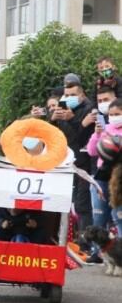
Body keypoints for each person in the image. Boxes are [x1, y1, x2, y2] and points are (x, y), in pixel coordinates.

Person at [53, 73, 95, 228]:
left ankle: (86, 241)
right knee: (68, 204)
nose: (69, 97)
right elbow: (56, 134)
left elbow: (83, 138)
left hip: (84, 164)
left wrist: (72, 119)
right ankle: (73, 238)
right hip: (66, 162)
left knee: (83, 205)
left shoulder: (89, 109)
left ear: (82, 95)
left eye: (73, 95)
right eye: (67, 94)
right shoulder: (62, 106)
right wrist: (53, 119)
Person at [87, 97, 122, 228]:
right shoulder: (105, 128)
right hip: (102, 177)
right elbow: (91, 151)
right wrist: (96, 135)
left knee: (119, 217)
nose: (114, 117)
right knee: (99, 219)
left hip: (119, 179)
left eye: (117, 114)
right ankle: (97, 248)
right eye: (111, 115)